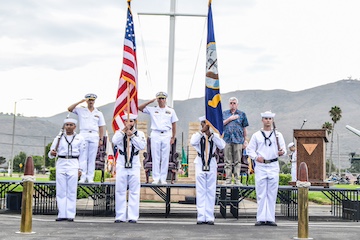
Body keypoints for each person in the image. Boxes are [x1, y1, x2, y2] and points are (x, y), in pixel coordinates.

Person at [246, 111, 286, 227]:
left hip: (273, 164)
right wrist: (255, 157)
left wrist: (282, 152)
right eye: (266, 118)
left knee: (272, 193)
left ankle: (270, 218)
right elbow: (250, 149)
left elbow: (284, 150)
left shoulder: (278, 135)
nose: (268, 120)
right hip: (261, 165)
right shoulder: (256, 135)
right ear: (262, 120)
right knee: (261, 192)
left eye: (270, 118)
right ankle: (261, 217)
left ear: (272, 120)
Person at [48, 118, 86, 222]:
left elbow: (83, 155)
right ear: (64, 126)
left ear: (75, 126)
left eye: (71, 125)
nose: (68, 127)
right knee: (61, 190)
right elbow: (51, 152)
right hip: (61, 162)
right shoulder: (59, 138)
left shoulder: (80, 138)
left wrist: (81, 169)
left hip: (73, 162)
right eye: (67, 125)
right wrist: (52, 153)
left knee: (71, 190)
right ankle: (62, 214)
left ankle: (70, 214)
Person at [190, 116, 226, 225]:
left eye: (207, 124)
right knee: (201, 191)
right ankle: (201, 216)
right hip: (200, 162)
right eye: (203, 124)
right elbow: (193, 142)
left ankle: (209, 216)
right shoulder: (197, 135)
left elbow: (222, 145)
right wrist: (202, 132)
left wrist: (211, 135)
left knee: (210, 190)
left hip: (211, 162)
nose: (205, 126)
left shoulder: (214, 136)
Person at [138, 91, 179, 184]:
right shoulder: (153, 109)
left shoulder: (170, 111)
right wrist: (150, 102)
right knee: (155, 156)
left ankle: (163, 178)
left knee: (165, 157)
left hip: (166, 134)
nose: (161, 100)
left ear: (165, 100)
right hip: (155, 133)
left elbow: (174, 124)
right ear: (157, 100)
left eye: (163, 98)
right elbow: (139, 108)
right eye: (159, 98)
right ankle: (156, 178)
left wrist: (173, 137)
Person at [112, 113, 146, 223]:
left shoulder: (139, 134)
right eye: (127, 121)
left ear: (134, 122)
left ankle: (132, 216)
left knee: (134, 191)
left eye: (131, 121)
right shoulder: (119, 133)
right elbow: (114, 141)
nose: (129, 123)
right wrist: (123, 132)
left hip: (134, 163)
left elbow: (141, 146)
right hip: (122, 162)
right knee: (120, 190)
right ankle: (120, 216)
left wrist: (132, 136)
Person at [68, 93, 106, 183]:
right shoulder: (81, 110)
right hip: (83, 134)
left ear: (94, 101)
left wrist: (101, 139)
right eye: (89, 100)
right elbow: (69, 109)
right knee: (83, 157)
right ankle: (82, 176)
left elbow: (101, 126)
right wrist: (80, 102)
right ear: (86, 101)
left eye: (92, 100)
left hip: (94, 135)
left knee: (92, 158)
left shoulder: (98, 113)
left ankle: (90, 177)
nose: (91, 102)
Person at [222, 97, 249, 185]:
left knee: (237, 161)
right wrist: (230, 119)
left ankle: (237, 179)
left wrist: (245, 140)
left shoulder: (242, 114)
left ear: (237, 104)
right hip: (227, 139)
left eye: (234, 103)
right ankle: (228, 179)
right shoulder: (225, 114)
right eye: (231, 103)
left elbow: (244, 128)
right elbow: (221, 124)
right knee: (228, 161)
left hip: (238, 140)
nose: (232, 104)